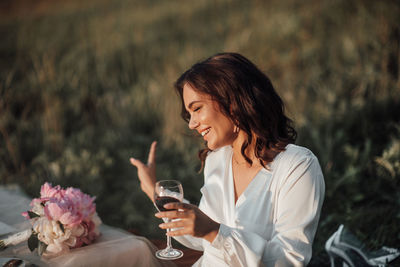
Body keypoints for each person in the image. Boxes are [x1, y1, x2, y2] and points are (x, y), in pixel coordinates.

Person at [130, 52, 325, 266]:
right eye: (189, 114)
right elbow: (202, 238)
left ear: (232, 100)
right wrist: (152, 189)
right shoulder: (217, 161)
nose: (191, 124)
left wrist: (215, 232)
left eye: (196, 108)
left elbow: (288, 259)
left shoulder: (297, 167)